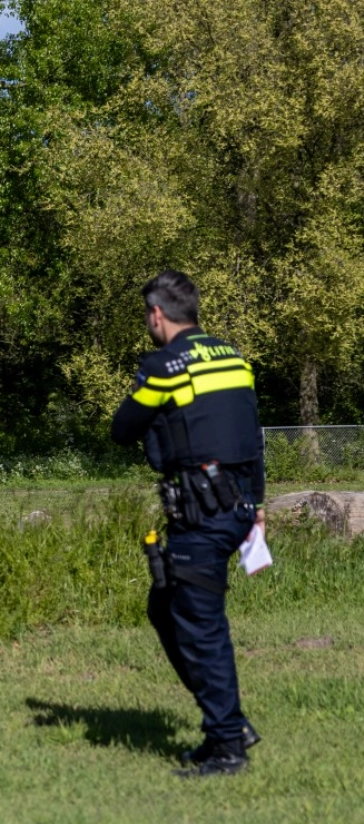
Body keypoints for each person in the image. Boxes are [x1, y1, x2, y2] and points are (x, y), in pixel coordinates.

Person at [112, 270, 266, 777]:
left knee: (202, 630)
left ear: (157, 314)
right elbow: (252, 436)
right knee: (164, 608)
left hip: (201, 515)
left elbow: (122, 429)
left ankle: (228, 743)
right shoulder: (233, 358)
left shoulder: (164, 367)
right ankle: (225, 724)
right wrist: (258, 505)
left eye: (146, 316)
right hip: (239, 506)